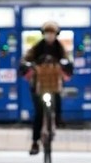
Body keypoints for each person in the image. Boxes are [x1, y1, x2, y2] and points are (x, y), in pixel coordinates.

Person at [21, 20, 72, 155]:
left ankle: (58, 118)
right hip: (38, 84)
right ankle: (35, 142)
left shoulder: (60, 48)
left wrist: (66, 65)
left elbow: (67, 61)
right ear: (43, 34)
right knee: (38, 113)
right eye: (47, 33)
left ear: (56, 34)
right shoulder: (37, 47)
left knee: (58, 98)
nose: (50, 35)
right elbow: (26, 59)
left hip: (54, 83)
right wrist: (27, 65)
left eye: (52, 33)